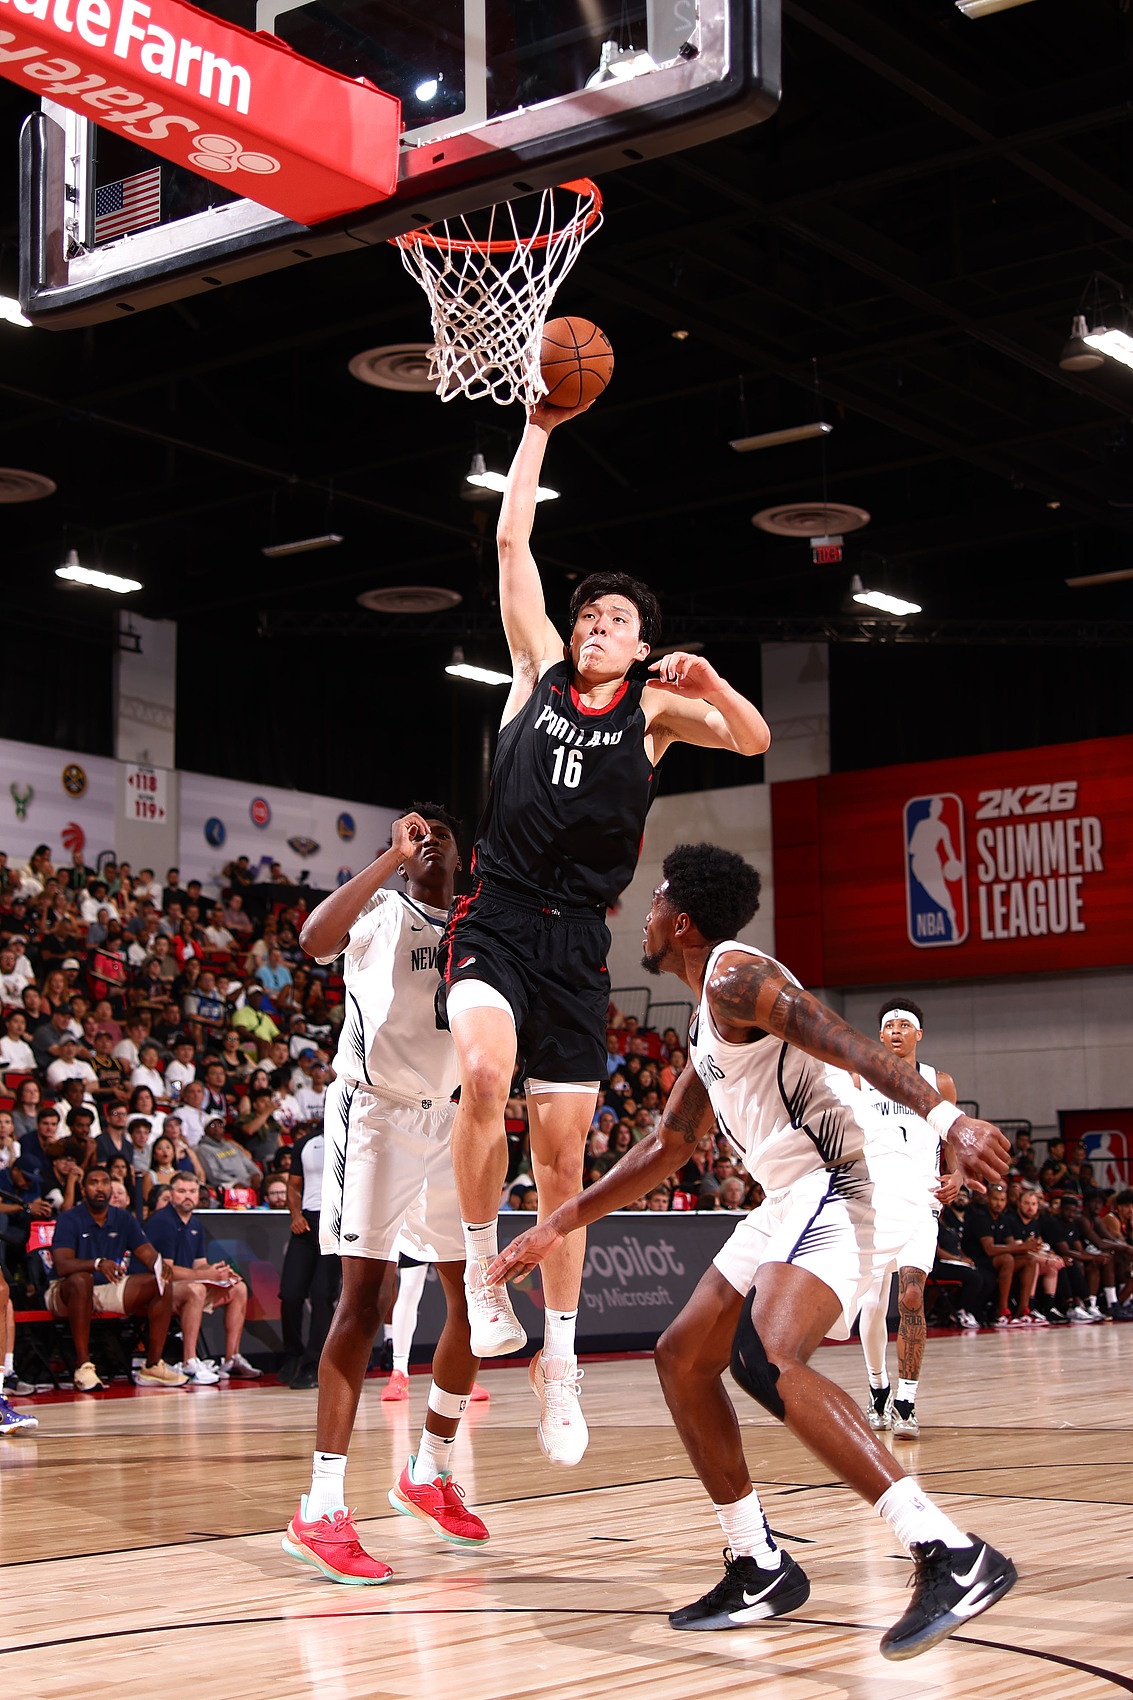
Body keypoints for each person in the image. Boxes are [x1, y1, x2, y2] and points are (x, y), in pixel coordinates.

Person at [489, 843, 1016, 1660]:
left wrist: (949, 1119)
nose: (646, 912)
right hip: (788, 1197)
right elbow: (667, 1145)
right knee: (682, 1357)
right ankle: (756, 1563)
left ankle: (948, 1551)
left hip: (839, 1181)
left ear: (682, 922)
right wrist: (555, 1223)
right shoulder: (708, 1012)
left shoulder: (737, 975)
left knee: (768, 1357)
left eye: (657, 900)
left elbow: (845, 1040)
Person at [440, 400, 770, 1465]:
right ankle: (483, 1278)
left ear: (641, 644)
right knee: (482, 1075)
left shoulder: (653, 714)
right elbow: (510, 542)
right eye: (589, 611)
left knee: (562, 1161)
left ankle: (561, 1359)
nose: (595, 622)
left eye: (617, 618)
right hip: (494, 914)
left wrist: (710, 680)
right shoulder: (534, 666)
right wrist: (539, 424)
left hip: (578, 940)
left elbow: (753, 738)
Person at [282, 807, 490, 1588]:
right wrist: (387, 858)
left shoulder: (479, 924)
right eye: (415, 834)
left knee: (475, 1297)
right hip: (373, 1115)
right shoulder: (378, 907)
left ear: (463, 855)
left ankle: (428, 1470)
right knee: (363, 1302)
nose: (427, 840)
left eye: (440, 834)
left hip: (450, 1119)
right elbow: (313, 939)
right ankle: (321, 1508)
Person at [854, 999, 959, 1439]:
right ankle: (878, 1388)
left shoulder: (940, 1082)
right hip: (874, 1203)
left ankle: (906, 1402)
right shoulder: (859, 1076)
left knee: (912, 1297)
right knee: (872, 1305)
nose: (896, 1030)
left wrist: (957, 1172)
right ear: (880, 1035)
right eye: (889, 1025)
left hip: (920, 1201)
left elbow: (951, 1135)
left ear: (919, 1034)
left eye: (904, 1024)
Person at [47, 1166, 188, 1390]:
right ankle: (83, 1366)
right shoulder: (69, 1218)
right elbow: (63, 1265)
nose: (100, 1188)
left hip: (108, 1287)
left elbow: (147, 1252)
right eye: (94, 1183)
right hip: (67, 1290)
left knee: (159, 1283)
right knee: (82, 1280)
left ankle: (152, 1366)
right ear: (83, 1190)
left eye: (105, 1183)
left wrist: (160, 1266)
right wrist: (96, 1263)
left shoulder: (122, 1218)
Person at [147, 1173, 261, 1383]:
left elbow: (199, 1264)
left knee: (238, 1288)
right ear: (171, 1194)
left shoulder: (195, 1224)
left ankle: (231, 1358)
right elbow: (167, 1270)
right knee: (196, 1289)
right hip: (158, 1291)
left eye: (192, 1191)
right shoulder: (163, 1221)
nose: (187, 1196)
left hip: (186, 1288)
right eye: (181, 1191)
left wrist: (219, 1273)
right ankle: (189, 1360)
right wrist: (206, 1275)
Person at [277, 1119, 341, 1390]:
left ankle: (314, 1364)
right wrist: (295, 1214)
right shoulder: (306, 1143)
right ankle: (293, 1353)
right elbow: (293, 1185)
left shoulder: (355, 1138)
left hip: (338, 1224)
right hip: (306, 1223)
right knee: (290, 1293)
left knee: (322, 1295)